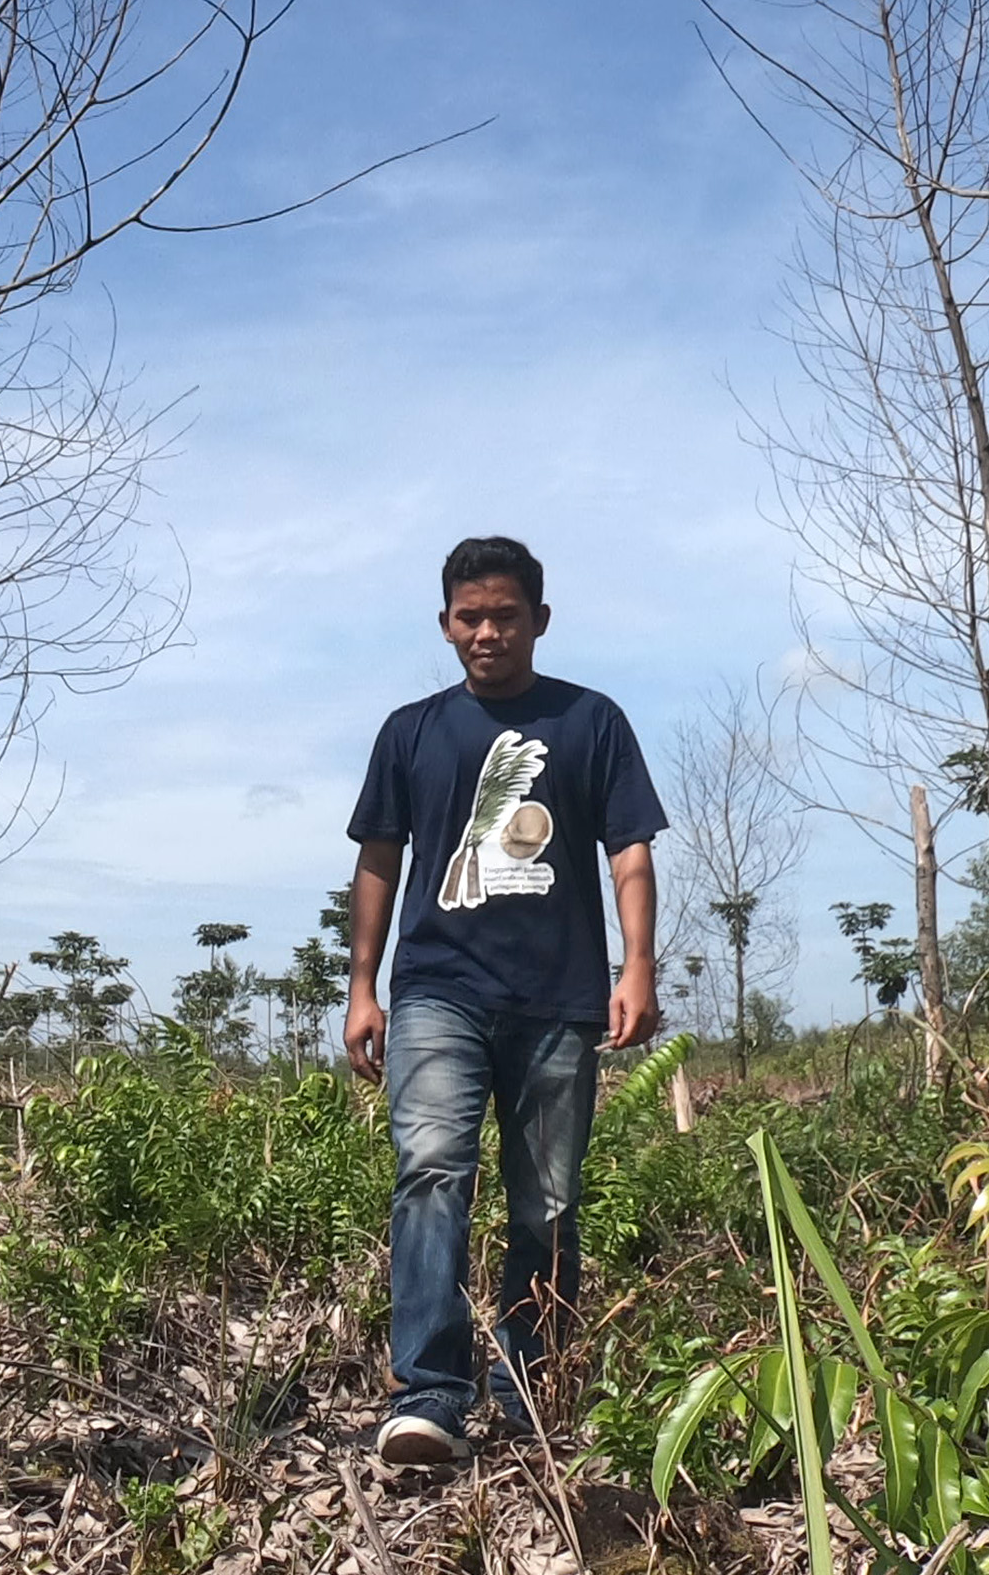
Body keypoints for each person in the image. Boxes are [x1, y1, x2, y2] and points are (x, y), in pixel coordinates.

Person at [342, 535, 665, 1466]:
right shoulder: (411, 733)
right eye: (470, 617)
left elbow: (630, 851)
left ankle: (530, 1387)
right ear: (446, 625)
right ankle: (429, 1393)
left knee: (547, 1203)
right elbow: (378, 861)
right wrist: (361, 986)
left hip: (558, 999)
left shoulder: (590, 722)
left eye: (506, 616)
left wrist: (637, 966)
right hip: (436, 990)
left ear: (539, 620)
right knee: (431, 1172)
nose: (488, 633)